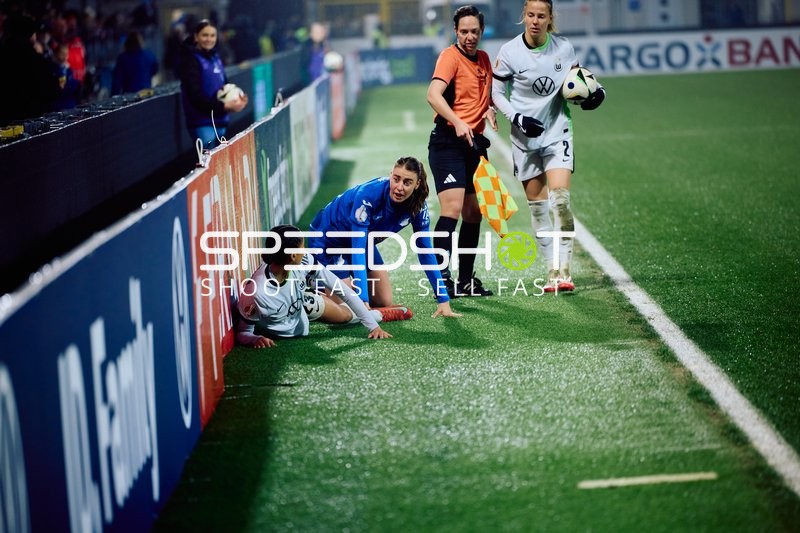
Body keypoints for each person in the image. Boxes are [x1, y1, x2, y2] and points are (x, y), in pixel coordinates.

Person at [491, 0, 604, 293]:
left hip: (557, 132)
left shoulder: (563, 48)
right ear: (523, 17)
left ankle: (564, 271)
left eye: (541, 15)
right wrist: (517, 117)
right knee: (539, 209)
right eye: (530, 15)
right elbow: (496, 92)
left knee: (561, 201)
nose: (535, 20)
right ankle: (551, 269)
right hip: (524, 139)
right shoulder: (510, 52)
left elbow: (578, 81)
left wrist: (595, 93)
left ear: (550, 18)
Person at [308, 156, 460, 319]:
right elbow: (357, 250)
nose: (399, 187)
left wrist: (443, 300)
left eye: (407, 182)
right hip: (328, 240)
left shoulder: (418, 206)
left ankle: (331, 285)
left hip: (361, 241)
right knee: (346, 309)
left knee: (383, 300)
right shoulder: (368, 195)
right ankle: (311, 287)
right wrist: (363, 300)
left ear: (417, 184)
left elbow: (425, 252)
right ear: (391, 175)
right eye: (396, 179)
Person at [236, 224, 412, 349]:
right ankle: (317, 291)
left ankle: (380, 314)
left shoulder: (304, 261)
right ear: (291, 256)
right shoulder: (255, 293)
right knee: (337, 311)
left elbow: (343, 291)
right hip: (288, 322)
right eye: (302, 247)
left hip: (301, 303)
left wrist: (373, 326)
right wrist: (254, 339)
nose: (305, 251)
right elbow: (243, 333)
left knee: (344, 316)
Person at [426, 5, 497, 299]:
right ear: (456, 31)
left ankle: (466, 281)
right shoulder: (449, 57)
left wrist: (489, 109)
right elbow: (433, 94)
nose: (470, 36)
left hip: (473, 145)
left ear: (481, 32)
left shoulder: (483, 59)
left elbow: (482, 97)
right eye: (464, 31)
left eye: (475, 31)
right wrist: (456, 121)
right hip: (447, 142)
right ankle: (441, 279)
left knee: (474, 214)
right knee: (452, 210)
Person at [178, 19, 247, 149]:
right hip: (202, 123)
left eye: (212, 35)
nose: (209, 39)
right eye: (205, 35)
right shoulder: (190, 60)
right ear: (196, 37)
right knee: (210, 164)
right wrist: (224, 106)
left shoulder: (215, 57)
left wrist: (238, 97)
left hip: (220, 121)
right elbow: (195, 96)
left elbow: (225, 85)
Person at [111, 30, 158, 95]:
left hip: (131, 95)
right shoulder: (149, 56)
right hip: (146, 93)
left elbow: (117, 81)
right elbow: (154, 71)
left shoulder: (123, 58)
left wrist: (114, 97)